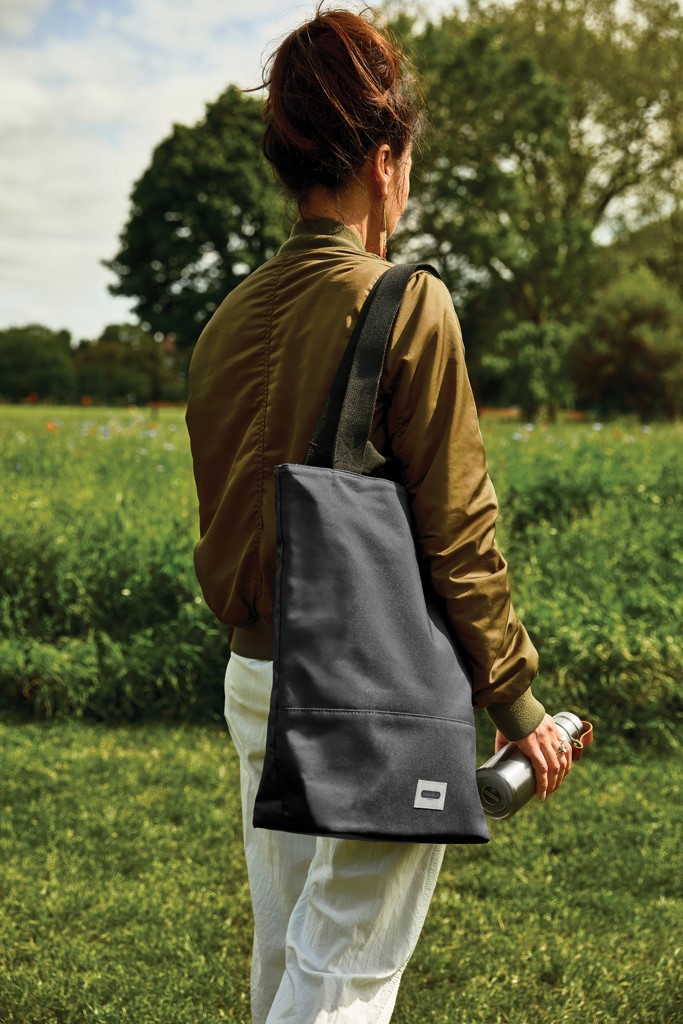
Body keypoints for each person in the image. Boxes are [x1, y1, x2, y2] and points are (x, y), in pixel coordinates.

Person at [185, 6, 573, 1022]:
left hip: (254, 677)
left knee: (288, 947)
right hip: (367, 690)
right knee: (343, 974)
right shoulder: (407, 301)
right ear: (384, 158)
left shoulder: (226, 318)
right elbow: (458, 533)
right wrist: (517, 704)